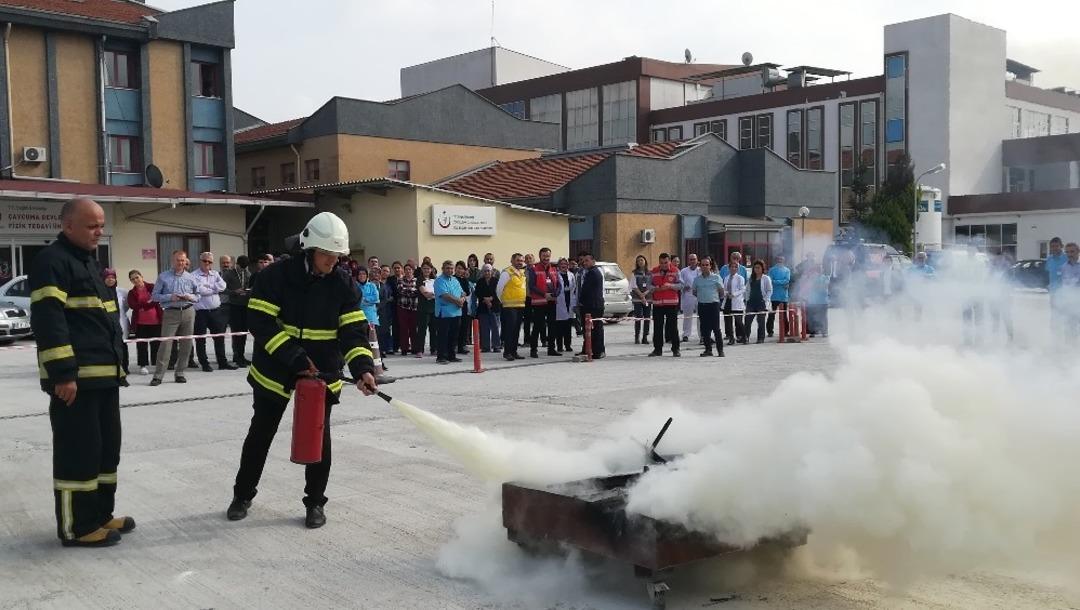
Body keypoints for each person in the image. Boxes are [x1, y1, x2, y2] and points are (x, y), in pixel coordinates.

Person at [227, 212, 377, 529]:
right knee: (260, 434)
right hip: (275, 370)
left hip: (322, 374)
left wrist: (363, 367)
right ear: (308, 249)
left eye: (337, 256)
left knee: (318, 440)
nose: (332, 261)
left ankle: (315, 504)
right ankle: (242, 495)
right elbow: (261, 324)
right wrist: (295, 357)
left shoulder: (343, 284)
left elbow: (353, 332)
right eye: (326, 254)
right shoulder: (275, 277)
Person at [29, 197, 132, 548]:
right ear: (67, 225)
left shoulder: (90, 263)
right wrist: (62, 374)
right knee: (79, 452)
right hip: (76, 382)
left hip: (103, 377)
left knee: (105, 451)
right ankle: (76, 527)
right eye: (91, 226)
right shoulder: (51, 262)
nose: (98, 231)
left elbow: (104, 320)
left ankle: (100, 515)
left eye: (101, 225)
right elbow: (48, 321)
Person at [150, 250, 198, 386]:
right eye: (178, 260)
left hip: (188, 311)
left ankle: (180, 373)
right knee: (165, 344)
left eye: (183, 260)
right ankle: (158, 375)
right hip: (171, 312)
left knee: (186, 344)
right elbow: (154, 296)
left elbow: (198, 295)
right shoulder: (163, 276)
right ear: (172, 260)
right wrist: (170, 296)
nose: (180, 263)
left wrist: (190, 297)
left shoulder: (190, 277)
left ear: (186, 261)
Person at [191, 252, 236, 373]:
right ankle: (204, 363)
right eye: (205, 261)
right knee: (201, 339)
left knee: (219, 337)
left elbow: (223, 286)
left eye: (210, 262)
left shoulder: (215, 273)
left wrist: (210, 288)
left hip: (216, 311)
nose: (207, 263)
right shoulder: (194, 275)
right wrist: (214, 289)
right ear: (200, 261)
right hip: (201, 312)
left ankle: (222, 362)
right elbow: (200, 290)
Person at [526, 247, 563, 358]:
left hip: (552, 302)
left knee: (552, 326)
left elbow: (559, 284)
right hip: (539, 302)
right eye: (544, 256)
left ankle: (551, 349)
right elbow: (531, 286)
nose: (546, 258)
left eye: (548, 256)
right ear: (540, 256)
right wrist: (544, 294)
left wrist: (556, 293)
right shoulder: (534, 269)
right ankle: (533, 350)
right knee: (538, 326)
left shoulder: (553, 269)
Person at [126, 270, 162, 375]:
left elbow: (156, 300)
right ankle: (143, 365)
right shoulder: (131, 292)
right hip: (140, 323)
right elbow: (133, 305)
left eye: (137, 277)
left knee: (156, 344)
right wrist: (148, 303)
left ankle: (156, 364)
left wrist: (143, 305)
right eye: (132, 279)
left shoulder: (151, 287)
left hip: (156, 321)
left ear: (142, 276)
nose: (135, 280)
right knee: (141, 345)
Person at [648, 253, 683, 357]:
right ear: (659, 262)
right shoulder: (653, 271)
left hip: (671, 303)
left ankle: (676, 349)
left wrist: (670, 286)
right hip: (658, 303)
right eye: (661, 263)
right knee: (657, 327)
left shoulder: (676, 271)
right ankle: (657, 349)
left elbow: (681, 285)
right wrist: (655, 288)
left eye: (666, 262)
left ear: (669, 261)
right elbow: (649, 286)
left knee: (673, 327)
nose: (664, 265)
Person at [221, 255, 253, 367]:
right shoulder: (228, 274)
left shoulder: (248, 273)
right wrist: (234, 292)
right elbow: (221, 289)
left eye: (244, 268)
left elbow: (251, 287)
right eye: (241, 267)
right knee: (236, 332)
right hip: (234, 306)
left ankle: (241, 355)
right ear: (236, 264)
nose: (242, 270)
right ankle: (237, 356)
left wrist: (248, 292)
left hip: (245, 306)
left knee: (243, 332)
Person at [433, 260, 466, 364]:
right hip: (444, 313)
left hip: (456, 312)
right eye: (447, 268)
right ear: (443, 269)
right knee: (443, 336)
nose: (450, 270)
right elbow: (444, 295)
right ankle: (441, 356)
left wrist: (462, 300)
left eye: (452, 268)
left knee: (454, 335)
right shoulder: (439, 280)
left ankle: (452, 355)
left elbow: (462, 293)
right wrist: (458, 301)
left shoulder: (455, 280)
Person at [497, 253, 527, 361]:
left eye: (521, 261)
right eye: (517, 260)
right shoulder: (507, 272)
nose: (520, 262)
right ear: (512, 260)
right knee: (509, 330)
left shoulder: (522, 273)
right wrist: (503, 301)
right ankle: (507, 352)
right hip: (509, 305)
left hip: (520, 305)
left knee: (516, 330)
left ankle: (514, 351)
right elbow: (499, 289)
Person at [692, 256, 725, 356]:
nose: (705, 267)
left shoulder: (716, 278)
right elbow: (694, 292)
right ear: (700, 266)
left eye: (707, 265)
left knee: (716, 328)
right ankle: (708, 350)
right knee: (704, 329)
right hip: (702, 306)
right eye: (703, 265)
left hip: (713, 305)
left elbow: (721, 292)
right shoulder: (697, 279)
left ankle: (720, 351)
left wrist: (712, 299)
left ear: (710, 266)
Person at [102, 268, 130, 379]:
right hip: (106, 323)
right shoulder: (99, 292)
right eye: (108, 278)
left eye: (113, 278)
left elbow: (127, 306)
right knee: (108, 346)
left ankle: (124, 367)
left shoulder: (122, 291)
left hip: (121, 321)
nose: (110, 280)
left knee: (122, 345)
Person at [577, 252, 605, 359]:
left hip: (592, 305)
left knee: (593, 329)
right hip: (593, 304)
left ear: (593, 261)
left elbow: (586, 290)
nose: (585, 263)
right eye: (583, 261)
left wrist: (581, 301)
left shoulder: (593, 273)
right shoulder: (590, 272)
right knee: (593, 329)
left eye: (587, 260)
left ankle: (594, 351)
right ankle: (593, 350)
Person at [743, 260, 774, 344]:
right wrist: (746, 300)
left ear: (762, 268)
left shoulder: (766, 278)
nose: (756, 269)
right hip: (751, 303)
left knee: (761, 321)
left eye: (758, 268)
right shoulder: (751, 279)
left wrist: (765, 300)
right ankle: (745, 337)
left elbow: (769, 290)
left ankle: (760, 338)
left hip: (761, 303)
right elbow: (747, 290)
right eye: (755, 268)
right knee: (747, 320)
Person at [474, 264, 502, 352]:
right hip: (483, 307)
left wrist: (491, 299)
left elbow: (499, 292)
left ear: (492, 271)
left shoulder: (496, 281)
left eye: (488, 271)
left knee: (495, 327)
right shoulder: (480, 281)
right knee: (484, 328)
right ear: (482, 272)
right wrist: (485, 299)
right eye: (485, 271)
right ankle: (486, 347)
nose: (487, 272)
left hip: (494, 306)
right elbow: (477, 292)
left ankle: (496, 346)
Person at [552, 257, 577, 353]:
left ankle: (568, 345)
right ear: (558, 266)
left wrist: (574, 302)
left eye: (565, 264)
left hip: (569, 301)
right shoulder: (555, 275)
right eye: (562, 264)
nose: (564, 266)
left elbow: (574, 289)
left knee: (568, 326)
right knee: (559, 327)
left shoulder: (571, 275)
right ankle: (559, 346)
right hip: (559, 302)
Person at [395, 263, 420, 357]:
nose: (408, 271)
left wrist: (409, 291)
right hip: (402, 307)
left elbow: (418, 291)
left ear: (413, 271)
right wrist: (412, 291)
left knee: (414, 328)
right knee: (403, 328)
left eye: (410, 269)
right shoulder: (400, 280)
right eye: (406, 269)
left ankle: (415, 348)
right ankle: (404, 348)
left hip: (414, 308)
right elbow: (401, 290)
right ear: (403, 271)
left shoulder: (417, 280)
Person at [722, 257, 747, 345]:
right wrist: (726, 293)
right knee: (728, 322)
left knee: (739, 321)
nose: (733, 268)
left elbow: (743, 289)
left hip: (736, 302)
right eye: (731, 267)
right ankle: (731, 338)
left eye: (735, 267)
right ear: (729, 268)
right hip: (727, 302)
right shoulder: (726, 278)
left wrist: (734, 294)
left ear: (737, 269)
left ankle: (744, 337)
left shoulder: (740, 278)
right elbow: (724, 288)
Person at [766, 256, 791, 337]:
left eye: (782, 260)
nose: (780, 261)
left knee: (784, 315)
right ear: (776, 260)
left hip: (783, 296)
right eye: (779, 259)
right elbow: (770, 281)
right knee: (771, 315)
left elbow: (787, 280)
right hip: (773, 296)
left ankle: (786, 331)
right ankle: (770, 331)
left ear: (784, 261)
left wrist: (775, 281)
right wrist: (782, 282)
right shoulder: (771, 270)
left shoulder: (787, 270)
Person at [416, 261, 437, 356]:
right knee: (422, 330)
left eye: (428, 268)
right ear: (421, 269)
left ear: (431, 269)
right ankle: (420, 350)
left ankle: (434, 349)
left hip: (434, 307)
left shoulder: (435, 279)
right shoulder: (419, 279)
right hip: (423, 308)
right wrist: (433, 295)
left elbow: (440, 292)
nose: (426, 270)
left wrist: (432, 295)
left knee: (434, 330)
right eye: (424, 268)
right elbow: (425, 294)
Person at [678, 254, 701, 343]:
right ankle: (686, 335)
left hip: (699, 295)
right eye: (691, 259)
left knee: (701, 316)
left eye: (694, 259)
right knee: (687, 316)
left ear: (697, 260)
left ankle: (702, 334)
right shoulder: (684, 271)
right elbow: (680, 282)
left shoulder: (700, 270)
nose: (692, 261)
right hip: (688, 295)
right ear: (688, 261)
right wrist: (684, 287)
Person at [1046, 237, 1067, 332]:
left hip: (1065, 292)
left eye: (1056, 246)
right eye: (1052, 246)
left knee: (1066, 314)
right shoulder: (1049, 259)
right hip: (1053, 292)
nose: (1054, 248)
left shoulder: (1066, 258)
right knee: (1054, 314)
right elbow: (1049, 273)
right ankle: (1054, 335)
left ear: (1061, 246)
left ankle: (1068, 337)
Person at [631, 255, 652, 344]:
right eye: (638, 260)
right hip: (637, 299)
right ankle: (637, 336)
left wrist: (645, 294)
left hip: (648, 298)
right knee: (638, 318)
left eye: (642, 260)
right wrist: (641, 295)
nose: (640, 262)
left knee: (647, 318)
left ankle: (645, 337)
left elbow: (652, 285)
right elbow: (633, 286)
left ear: (645, 261)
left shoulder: (650, 273)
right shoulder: (634, 273)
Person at [805, 264, 830, 337]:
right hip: (812, 301)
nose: (819, 270)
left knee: (823, 317)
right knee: (812, 317)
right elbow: (809, 287)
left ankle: (824, 332)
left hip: (823, 301)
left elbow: (823, 287)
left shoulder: (826, 277)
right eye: (817, 268)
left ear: (823, 270)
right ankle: (813, 332)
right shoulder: (811, 278)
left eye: (820, 268)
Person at [454, 261, 473, 355]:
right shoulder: (452, 279)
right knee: (455, 326)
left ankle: (462, 345)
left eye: (462, 268)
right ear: (455, 268)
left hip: (463, 304)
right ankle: (454, 345)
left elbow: (467, 292)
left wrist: (463, 295)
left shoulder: (464, 280)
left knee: (464, 325)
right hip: (453, 304)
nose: (459, 270)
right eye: (458, 268)